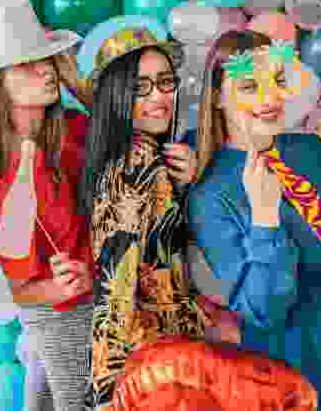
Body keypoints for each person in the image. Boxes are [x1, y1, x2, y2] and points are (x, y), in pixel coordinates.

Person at [188, 29, 321, 411]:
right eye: (248, 86)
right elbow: (262, 309)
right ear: (217, 98)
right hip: (298, 361)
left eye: (276, 80)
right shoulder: (211, 195)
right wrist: (264, 220)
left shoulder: (311, 148)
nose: (269, 97)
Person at [0, 0, 93, 411]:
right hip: (65, 318)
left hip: (112, 304)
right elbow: (4, 280)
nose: (44, 71)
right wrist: (49, 291)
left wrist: (79, 84)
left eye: (45, 59)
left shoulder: (73, 130)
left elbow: (125, 140)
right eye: (26, 64)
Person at [79, 28, 205, 410]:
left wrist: (187, 187)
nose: (159, 97)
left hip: (171, 358)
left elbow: (161, 250)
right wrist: (104, 393)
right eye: (141, 87)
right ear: (118, 97)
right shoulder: (134, 166)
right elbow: (115, 286)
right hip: (147, 369)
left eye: (166, 83)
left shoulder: (154, 158)